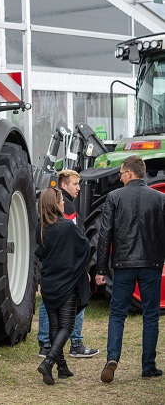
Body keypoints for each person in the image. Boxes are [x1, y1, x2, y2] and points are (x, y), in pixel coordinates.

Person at [95, 155, 165, 383]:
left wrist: (101, 269)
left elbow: (104, 235)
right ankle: (149, 366)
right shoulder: (159, 198)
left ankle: (112, 358)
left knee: (117, 314)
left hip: (123, 265)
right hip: (151, 264)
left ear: (130, 173)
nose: (119, 177)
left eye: (121, 173)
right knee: (151, 316)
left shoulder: (114, 197)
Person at [37, 169, 99, 358]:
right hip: (67, 269)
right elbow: (75, 240)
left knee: (49, 306)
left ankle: (47, 346)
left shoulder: (44, 216)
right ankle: (75, 343)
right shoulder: (67, 208)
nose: (79, 188)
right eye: (75, 184)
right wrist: (83, 268)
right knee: (72, 308)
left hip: (50, 271)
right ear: (63, 186)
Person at [35, 187, 91, 385]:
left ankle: (62, 367)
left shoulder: (39, 227)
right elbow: (85, 247)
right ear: (56, 204)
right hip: (67, 282)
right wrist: (80, 269)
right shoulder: (67, 226)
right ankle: (49, 361)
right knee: (67, 325)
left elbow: (40, 253)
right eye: (61, 201)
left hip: (49, 282)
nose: (63, 204)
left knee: (55, 324)